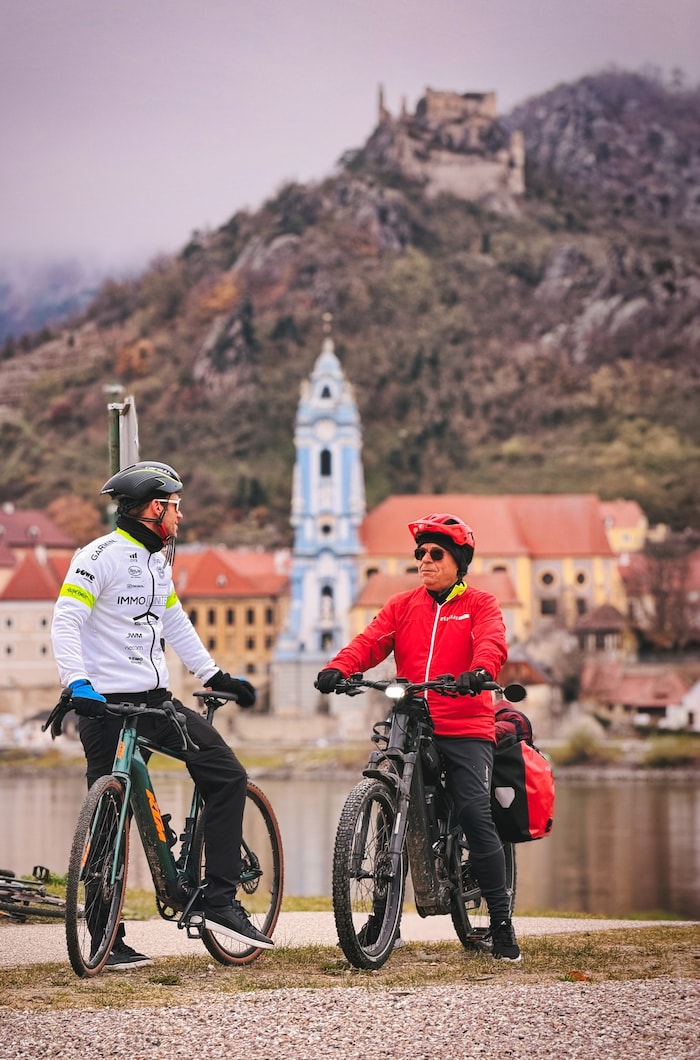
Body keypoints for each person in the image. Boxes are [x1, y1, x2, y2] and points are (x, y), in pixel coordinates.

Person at [51, 460, 274, 969]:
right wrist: (77, 683)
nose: (181, 514)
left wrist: (212, 675)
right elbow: (66, 620)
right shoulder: (99, 556)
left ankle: (219, 900)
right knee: (106, 814)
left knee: (225, 776)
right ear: (156, 508)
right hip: (102, 705)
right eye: (175, 505)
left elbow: (173, 619)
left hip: (156, 704)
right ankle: (106, 937)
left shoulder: (158, 559)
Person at [315, 512, 520, 962]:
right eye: (420, 554)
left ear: (458, 561)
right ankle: (384, 919)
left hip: (465, 726)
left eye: (435, 553)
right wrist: (340, 667)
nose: (424, 560)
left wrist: (480, 672)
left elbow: (493, 642)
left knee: (472, 810)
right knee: (395, 800)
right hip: (412, 718)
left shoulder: (480, 604)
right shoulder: (403, 605)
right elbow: (370, 641)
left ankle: (502, 923)